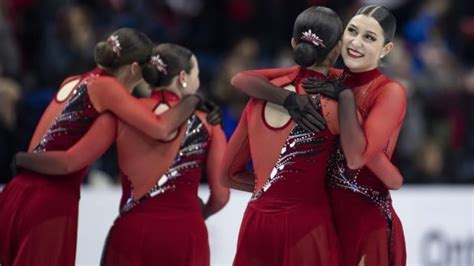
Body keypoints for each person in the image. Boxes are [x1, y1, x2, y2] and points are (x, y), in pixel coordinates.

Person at [0, 28, 202, 266]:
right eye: (145, 71)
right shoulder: (107, 88)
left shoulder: (74, 81)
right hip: (50, 201)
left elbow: (42, 145)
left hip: (16, 193)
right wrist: (194, 100)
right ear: (135, 68)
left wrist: (24, 161)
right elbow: (159, 127)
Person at [233, 5, 407, 266]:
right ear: (339, 40)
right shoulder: (333, 79)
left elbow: (360, 158)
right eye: (352, 31)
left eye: (369, 37)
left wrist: (346, 98)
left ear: (386, 49)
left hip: (363, 222)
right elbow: (242, 79)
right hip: (323, 219)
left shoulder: (389, 92)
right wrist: (288, 99)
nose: (356, 42)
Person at [221, 6, 353, 265]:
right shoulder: (338, 104)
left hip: (257, 224)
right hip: (308, 226)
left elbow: (226, 174)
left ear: (294, 43)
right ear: (337, 48)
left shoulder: (259, 98)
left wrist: (270, 188)